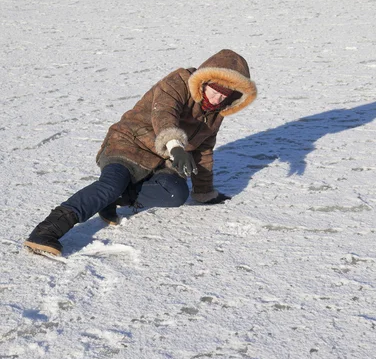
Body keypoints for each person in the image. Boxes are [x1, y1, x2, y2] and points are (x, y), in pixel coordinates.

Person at [24, 49, 257, 257]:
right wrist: (176, 146)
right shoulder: (178, 82)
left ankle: (112, 200)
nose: (217, 99)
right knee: (110, 185)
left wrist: (205, 191)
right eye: (215, 91)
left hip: (162, 163)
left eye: (226, 96)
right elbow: (164, 114)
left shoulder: (215, 114)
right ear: (204, 80)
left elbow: (204, 150)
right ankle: (46, 231)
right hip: (129, 144)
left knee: (175, 194)